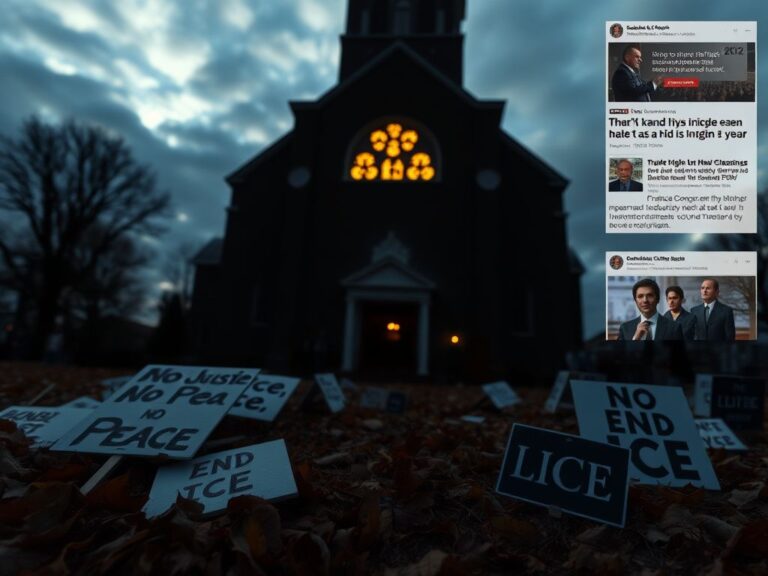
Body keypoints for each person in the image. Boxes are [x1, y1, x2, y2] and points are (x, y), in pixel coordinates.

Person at [617, 278, 683, 340]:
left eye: (650, 295)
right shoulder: (625, 328)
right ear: (635, 301)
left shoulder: (674, 328)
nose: (645, 300)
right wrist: (635, 339)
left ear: (658, 299)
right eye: (640, 296)